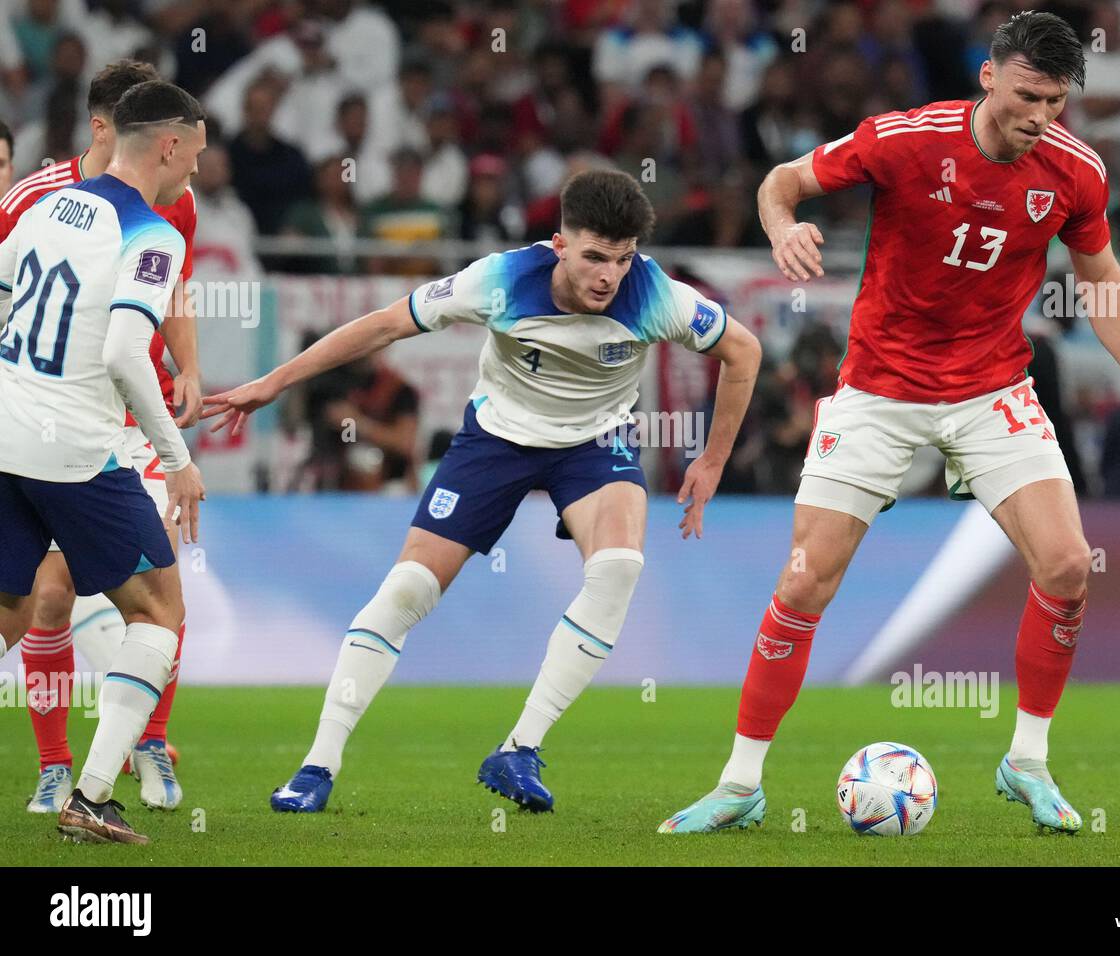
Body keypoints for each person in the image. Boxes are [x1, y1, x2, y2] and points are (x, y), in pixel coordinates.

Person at [660, 11, 1120, 836]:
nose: (1039, 115)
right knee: (802, 582)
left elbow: (1101, 274)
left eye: (1054, 101)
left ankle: (1027, 761)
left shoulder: (1076, 172)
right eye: (1026, 95)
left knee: (1068, 567)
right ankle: (740, 783)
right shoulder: (905, 139)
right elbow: (781, 182)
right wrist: (781, 227)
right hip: (879, 388)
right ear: (988, 76)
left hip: (991, 389)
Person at [202, 169, 763, 814]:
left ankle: (520, 748)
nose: (609, 275)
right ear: (560, 244)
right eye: (594, 257)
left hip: (593, 444)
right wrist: (273, 383)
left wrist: (712, 459)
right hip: (495, 441)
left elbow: (742, 351)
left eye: (622, 258)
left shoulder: (656, 296)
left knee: (619, 568)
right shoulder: (497, 280)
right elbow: (386, 324)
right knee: (408, 589)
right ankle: (316, 766)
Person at [0, 79, 207, 845]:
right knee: (159, 613)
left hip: (6, 435)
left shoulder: (49, 204)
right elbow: (125, 352)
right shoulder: (155, 235)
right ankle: (91, 795)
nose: (197, 169)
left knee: (12, 612)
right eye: (196, 152)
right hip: (76, 451)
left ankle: (94, 776)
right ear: (167, 145)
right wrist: (177, 459)